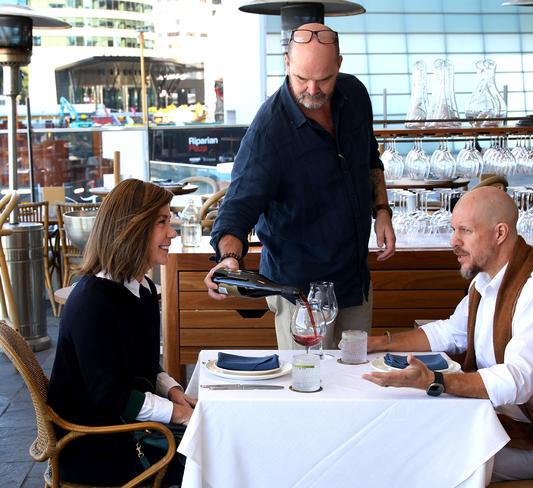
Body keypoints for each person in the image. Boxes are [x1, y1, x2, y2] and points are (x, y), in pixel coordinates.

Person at [362, 186, 533, 482]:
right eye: (453, 229)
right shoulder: (485, 282)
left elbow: (517, 381)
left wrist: (435, 381)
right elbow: (450, 332)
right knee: (399, 436)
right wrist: (378, 343)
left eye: (465, 231)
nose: (453, 241)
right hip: (500, 422)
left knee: (426, 459)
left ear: (500, 233)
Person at [204, 23, 396, 348]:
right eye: (302, 78)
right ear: (287, 63)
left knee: (356, 384)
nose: (312, 89)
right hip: (299, 290)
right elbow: (237, 209)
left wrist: (382, 211)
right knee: (310, 388)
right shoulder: (268, 132)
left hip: (353, 278)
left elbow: (369, 160)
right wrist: (230, 260)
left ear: (339, 64)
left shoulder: (356, 96)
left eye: (323, 79)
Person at [48, 179, 196, 485]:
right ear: (132, 228)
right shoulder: (93, 301)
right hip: (95, 445)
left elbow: (144, 365)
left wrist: (174, 392)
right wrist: (179, 415)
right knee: (210, 459)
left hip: (126, 428)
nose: (172, 232)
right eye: (162, 222)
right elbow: (109, 396)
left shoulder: (142, 288)